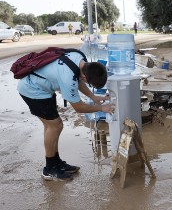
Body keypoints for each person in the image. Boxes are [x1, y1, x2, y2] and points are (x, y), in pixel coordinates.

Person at [17, 50, 115, 181]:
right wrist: (102, 107)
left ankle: (56, 162)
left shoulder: (80, 58)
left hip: (42, 87)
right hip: (32, 90)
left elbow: (79, 80)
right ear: (86, 76)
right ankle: (49, 169)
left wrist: (93, 97)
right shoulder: (67, 78)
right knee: (55, 126)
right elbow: (79, 107)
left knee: (51, 125)